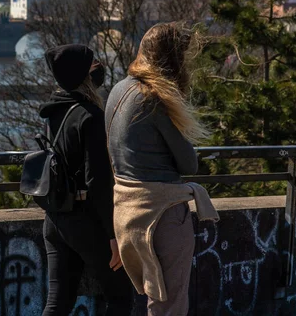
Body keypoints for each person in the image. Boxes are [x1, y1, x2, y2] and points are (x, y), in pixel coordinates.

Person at [105, 22, 211, 315]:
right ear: (172, 60)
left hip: (126, 211)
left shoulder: (118, 90)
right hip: (162, 214)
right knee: (170, 303)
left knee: (154, 299)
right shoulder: (154, 98)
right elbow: (189, 163)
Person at [40, 44, 134, 316]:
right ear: (83, 73)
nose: (99, 68)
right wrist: (112, 235)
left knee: (58, 302)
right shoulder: (91, 117)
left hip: (55, 218)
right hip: (86, 222)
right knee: (119, 295)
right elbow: (98, 182)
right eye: (93, 64)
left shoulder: (54, 112)